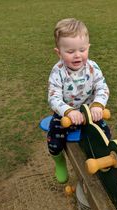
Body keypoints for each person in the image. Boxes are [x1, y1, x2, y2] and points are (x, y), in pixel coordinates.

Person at [47, 18, 111, 183]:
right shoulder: (58, 72)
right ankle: (59, 160)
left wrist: (97, 105)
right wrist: (68, 111)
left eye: (82, 49)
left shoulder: (92, 67)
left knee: (105, 135)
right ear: (58, 52)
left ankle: (102, 160)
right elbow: (53, 97)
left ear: (88, 47)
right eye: (70, 51)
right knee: (54, 139)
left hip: (90, 114)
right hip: (66, 116)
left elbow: (102, 88)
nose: (77, 55)